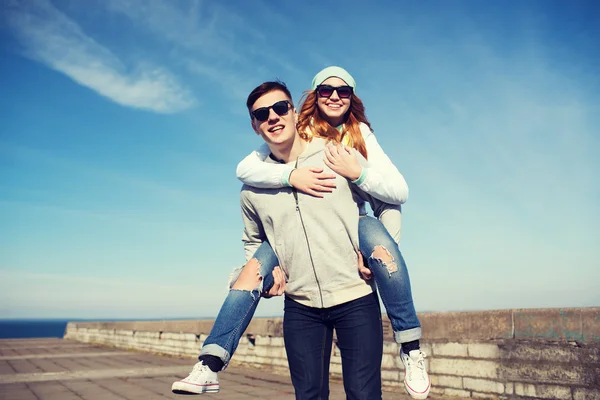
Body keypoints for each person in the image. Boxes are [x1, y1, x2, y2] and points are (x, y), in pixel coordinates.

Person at [172, 66, 430, 399]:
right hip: (301, 306)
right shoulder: (253, 186)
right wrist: (289, 179)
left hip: (354, 297)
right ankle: (209, 365)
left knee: (365, 396)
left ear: (295, 113)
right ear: (254, 124)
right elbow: (252, 239)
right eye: (262, 114)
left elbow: (390, 199)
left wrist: (380, 250)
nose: (273, 117)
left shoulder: (337, 152)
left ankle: (410, 348)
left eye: (280, 108)